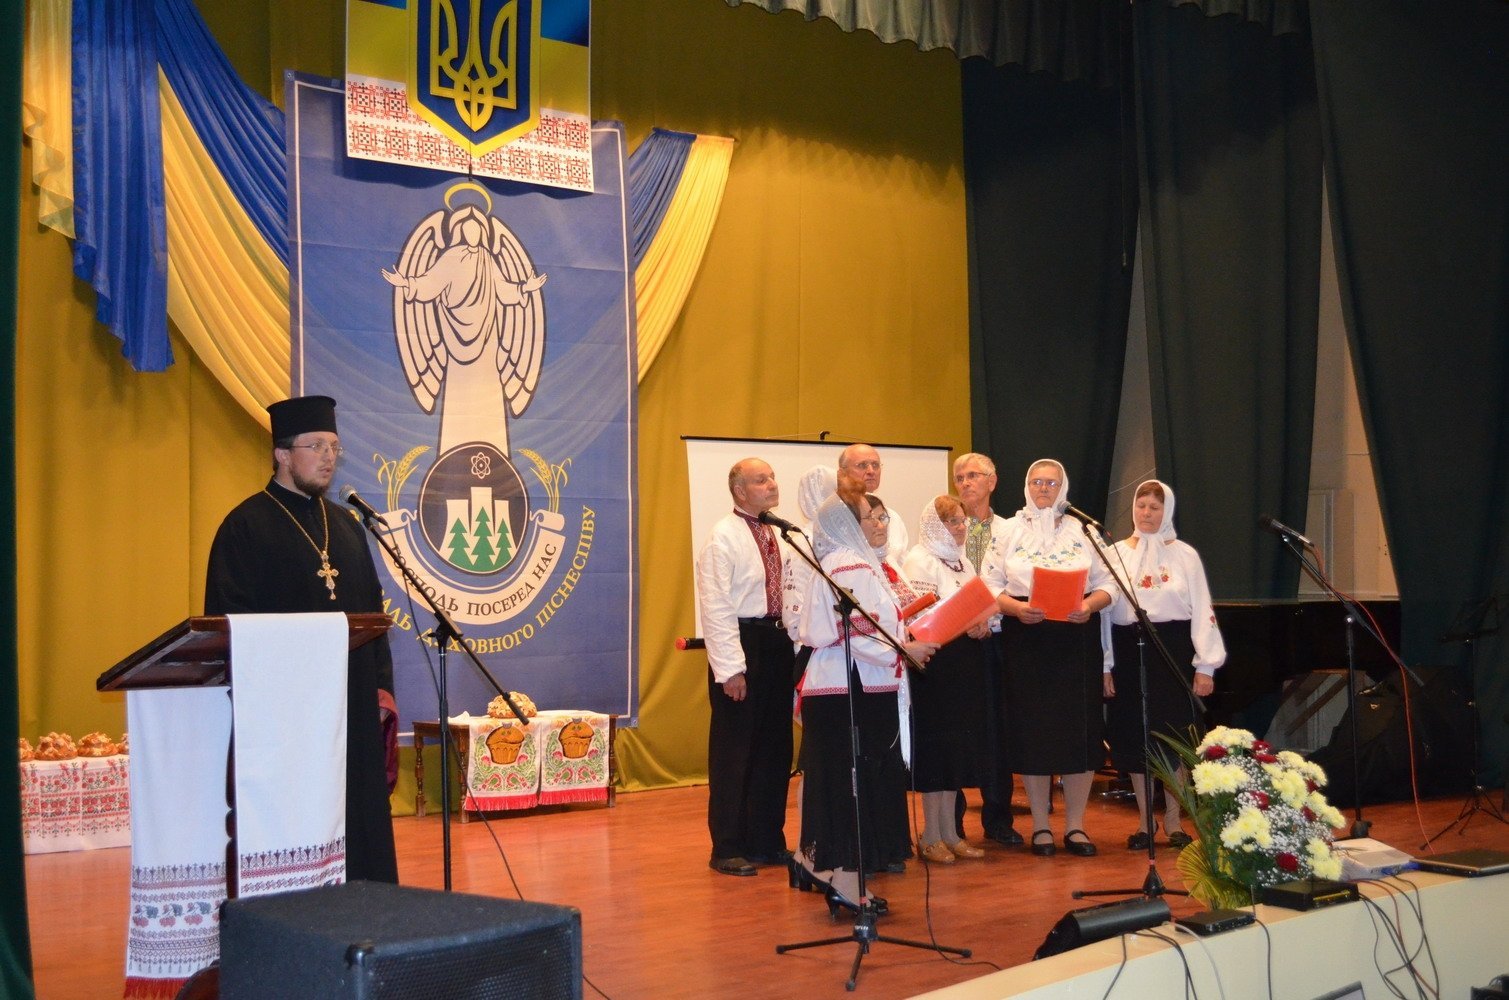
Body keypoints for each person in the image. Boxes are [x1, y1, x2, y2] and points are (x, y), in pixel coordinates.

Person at [205, 395, 399, 883]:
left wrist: (381, 691)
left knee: (360, 829)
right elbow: (230, 626)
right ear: (282, 455)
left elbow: (373, 617)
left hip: (351, 708)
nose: (329, 457)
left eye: (334, 446)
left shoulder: (348, 528)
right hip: (286, 718)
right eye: (316, 446)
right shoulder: (244, 527)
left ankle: (369, 903)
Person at [793, 474, 937, 912]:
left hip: (848, 685)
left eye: (881, 517)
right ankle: (846, 883)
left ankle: (828, 871)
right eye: (869, 518)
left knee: (845, 781)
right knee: (852, 783)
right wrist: (904, 650)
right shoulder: (850, 565)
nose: (879, 524)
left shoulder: (852, 562)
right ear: (844, 525)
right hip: (849, 687)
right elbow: (857, 630)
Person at [981, 459, 1116, 858]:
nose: (1043, 488)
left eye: (1052, 483)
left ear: (1064, 487)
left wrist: (1089, 605)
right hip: (1026, 637)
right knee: (1033, 731)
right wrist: (1014, 608)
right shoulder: (1007, 530)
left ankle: (1076, 826)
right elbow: (988, 584)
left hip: (1076, 637)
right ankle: (1040, 824)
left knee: (1079, 732)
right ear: (1026, 485)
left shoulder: (1084, 530)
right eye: (1037, 481)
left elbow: (1110, 583)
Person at [1102, 479, 1225, 849]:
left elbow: (1203, 608)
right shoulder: (1115, 553)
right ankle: (1145, 822)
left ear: (1166, 511)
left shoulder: (1185, 555)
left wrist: (1205, 666)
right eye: (1141, 506)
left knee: (1173, 737)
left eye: (1154, 507)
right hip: (1127, 649)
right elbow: (1104, 614)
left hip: (1171, 648)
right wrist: (1105, 664)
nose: (1146, 513)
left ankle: (1173, 819)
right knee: (1136, 736)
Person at [695, 459, 797, 876]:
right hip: (743, 644)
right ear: (739, 491)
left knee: (775, 748)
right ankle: (728, 846)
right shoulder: (722, 536)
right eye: (761, 480)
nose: (772, 484)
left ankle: (767, 840)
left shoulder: (779, 533)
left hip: (777, 643)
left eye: (772, 477)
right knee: (734, 752)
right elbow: (716, 605)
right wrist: (731, 669)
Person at [901, 496, 990, 863]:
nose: (960, 527)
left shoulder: (963, 560)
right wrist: (965, 621)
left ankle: (951, 833)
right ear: (935, 525)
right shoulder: (919, 559)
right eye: (952, 521)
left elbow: (976, 604)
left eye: (962, 521)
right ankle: (930, 835)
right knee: (937, 752)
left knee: (956, 750)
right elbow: (919, 617)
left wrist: (983, 623)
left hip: (964, 664)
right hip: (934, 665)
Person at [952, 452, 1024, 847]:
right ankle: (953, 823)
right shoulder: (946, 528)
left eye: (973, 475)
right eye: (959, 477)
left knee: (997, 729)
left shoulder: (1013, 530)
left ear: (992, 482)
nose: (965, 483)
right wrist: (967, 619)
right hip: (956, 640)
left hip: (998, 637)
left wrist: (986, 614)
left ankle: (998, 818)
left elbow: (1016, 582)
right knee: (957, 727)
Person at [837, 443, 909, 564]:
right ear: (841, 473)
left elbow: (902, 563)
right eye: (862, 465)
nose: (871, 471)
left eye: (875, 465)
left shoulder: (893, 517)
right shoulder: (838, 515)